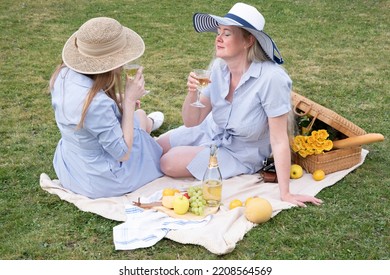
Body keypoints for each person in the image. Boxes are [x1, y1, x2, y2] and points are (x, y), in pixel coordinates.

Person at [157, 3, 323, 207]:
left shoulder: (271, 79)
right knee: (157, 146)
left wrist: (286, 193)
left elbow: (279, 139)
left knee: (168, 162)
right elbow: (192, 121)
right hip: (211, 130)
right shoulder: (219, 68)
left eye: (226, 33)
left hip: (240, 152)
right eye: (218, 32)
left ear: (248, 40)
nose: (218, 38)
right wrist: (192, 93)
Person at [49, 17, 164, 199]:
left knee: (138, 117)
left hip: (70, 168)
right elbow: (123, 154)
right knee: (141, 122)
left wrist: (120, 99)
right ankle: (147, 125)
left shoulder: (62, 75)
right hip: (101, 180)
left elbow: (82, 110)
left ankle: (147, 123)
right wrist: (129, 102)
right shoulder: (96, 103)